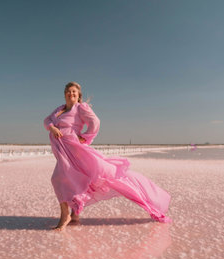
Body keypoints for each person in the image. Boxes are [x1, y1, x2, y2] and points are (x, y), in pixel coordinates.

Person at [44, 82, 172, 231]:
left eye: (74, 92)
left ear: (78, 95)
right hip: (63, 151)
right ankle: (75, 214)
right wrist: (52, 128)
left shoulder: (81, 107)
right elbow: (47, 120)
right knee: (74, 178)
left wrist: (85, 137)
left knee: (59, 178)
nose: (71, 94)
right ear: (64, 94)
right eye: (68, 91)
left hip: (74, 149)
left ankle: (65, 215)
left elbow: (95, 122)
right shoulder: (60, 110)